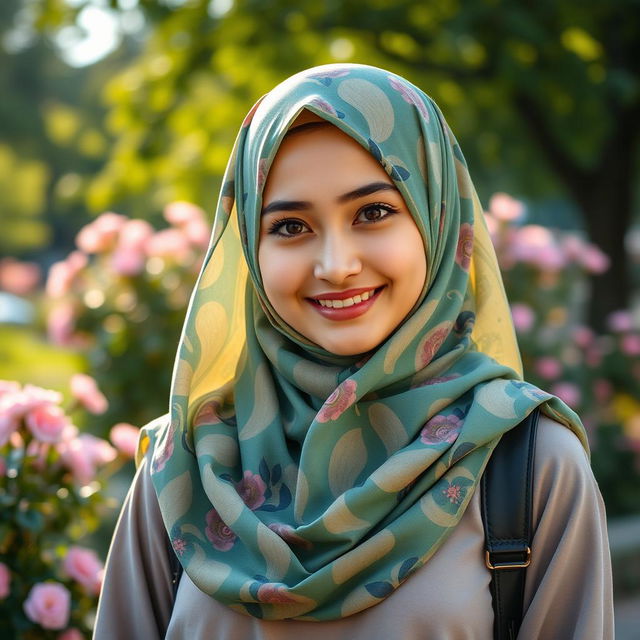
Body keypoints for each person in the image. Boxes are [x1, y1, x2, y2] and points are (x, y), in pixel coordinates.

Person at [93, 63, 613, 639]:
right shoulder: (183, 468)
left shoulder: (529, 464)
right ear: (249, 248)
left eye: (373, 212)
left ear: (436, 218)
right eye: (290, 226)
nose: (335, 265)